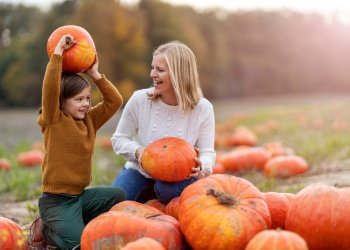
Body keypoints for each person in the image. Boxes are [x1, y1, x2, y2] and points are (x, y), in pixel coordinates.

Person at [29, 34, 126, 250]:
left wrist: (95, 74)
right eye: (78, 99)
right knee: (80, 245)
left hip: (79, 198)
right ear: (61, 103)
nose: (85, 104)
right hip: (56, 202)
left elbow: (115, 101)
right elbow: (50, 89)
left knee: (118, 196)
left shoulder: (89, 120)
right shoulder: (54, 119)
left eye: (87, 99)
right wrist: (57, 55)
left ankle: (76, 223)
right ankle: (46, 231)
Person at [111, 40, 216, 204]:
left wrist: (202, 164)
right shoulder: (140, 100)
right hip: (139, 172)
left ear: (178, 74)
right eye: (152, 68)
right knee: (114, 202)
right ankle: (148, 199)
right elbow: (118, 139)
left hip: (177, 178)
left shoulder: (203, 108)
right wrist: (139, 152)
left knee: (169, 191)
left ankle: (164, 208)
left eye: (159, 70)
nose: (152, 74)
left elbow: (207, 152)